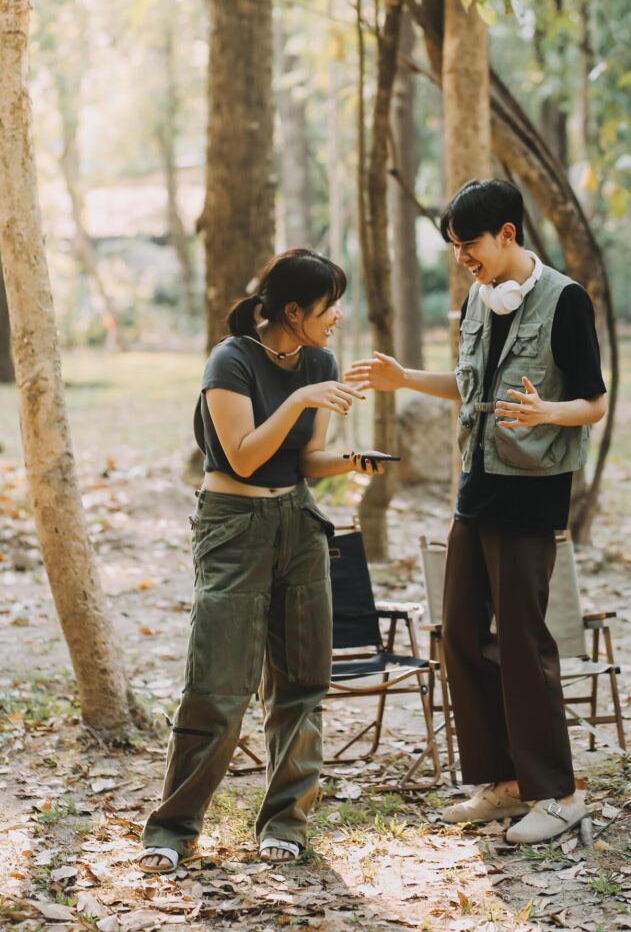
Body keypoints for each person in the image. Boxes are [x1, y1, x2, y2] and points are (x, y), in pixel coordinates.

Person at [345, 180, 607, 845]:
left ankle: (560, 791)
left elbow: (592, 402)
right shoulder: (475, 302)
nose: (463, 258)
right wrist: (403, 378)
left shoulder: (564, 301)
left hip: (530, 491)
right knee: (459, 630)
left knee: (523, 641)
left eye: (469, 245)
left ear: (507, 235)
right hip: (476, 490)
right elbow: (466, 390)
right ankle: (503, 782)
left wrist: (549, 411)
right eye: (456, 247)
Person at [139, 248, 384, 873]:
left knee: (302, 684)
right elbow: (243, 455)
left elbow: (306, 461)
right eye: (330, 306)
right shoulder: (231, 360)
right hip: (234, 526)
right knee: (218, 686)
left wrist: (354, 460)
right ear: (294, 309)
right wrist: (302, 399)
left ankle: (284, 823)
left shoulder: (320, 361)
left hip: (298, 525)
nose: (338, 318)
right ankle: (173, 828)